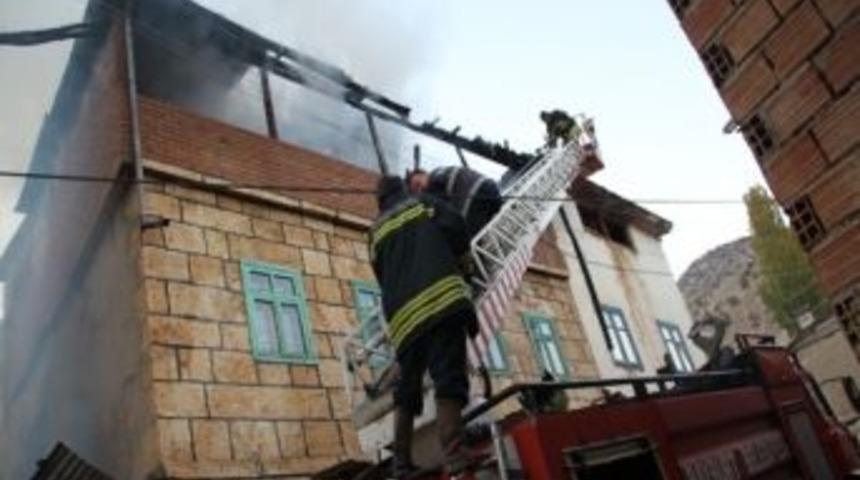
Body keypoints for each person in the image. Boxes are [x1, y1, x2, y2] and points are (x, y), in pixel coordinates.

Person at [370, 176, 477, 477]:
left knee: (407, 390)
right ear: (403, 191)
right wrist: (461, 264)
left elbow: (382, 275)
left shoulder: (374, 232)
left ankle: (400, 464)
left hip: (404, 323)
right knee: (448, 379)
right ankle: (454, 454)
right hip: (441, 304)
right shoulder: (423, 204)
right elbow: (456, 227)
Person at [406, 166, 503, 240]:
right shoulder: (441, 170)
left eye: (418, 184)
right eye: (417, 190)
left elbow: (441, 212)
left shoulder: (433, 182)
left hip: (477, 197)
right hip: (492, 189)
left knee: (465, 240)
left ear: (423, 174)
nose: (421, 190)